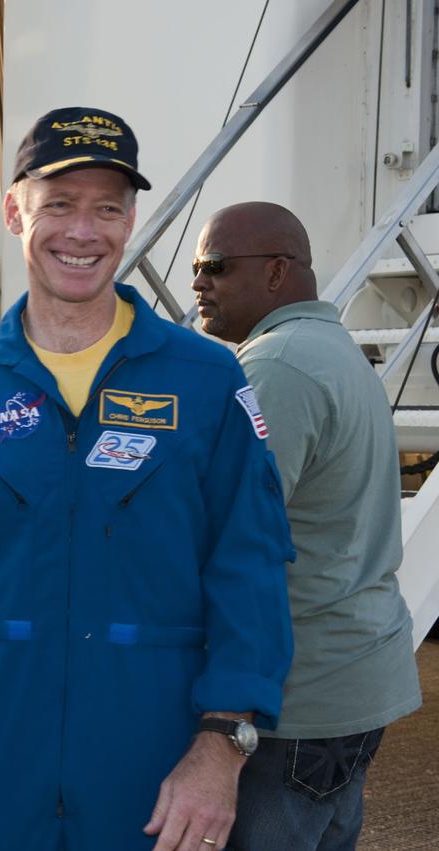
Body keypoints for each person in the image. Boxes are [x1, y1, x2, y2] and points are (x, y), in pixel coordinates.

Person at [0, 107, 295, 851]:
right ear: (14, 212)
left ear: (131, 220)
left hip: (153, 767)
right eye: (58, 205)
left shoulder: (204, 379)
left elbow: (250, 568)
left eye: (106, 208)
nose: (82, 232)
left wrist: (222, 744)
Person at [192, 201, 422, 851]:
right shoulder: (333, 351)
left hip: (299, 702)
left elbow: (223, 533)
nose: (197, 284)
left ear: (274, 272)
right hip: (355, 679)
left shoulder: (277, 367)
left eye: (214, 266)